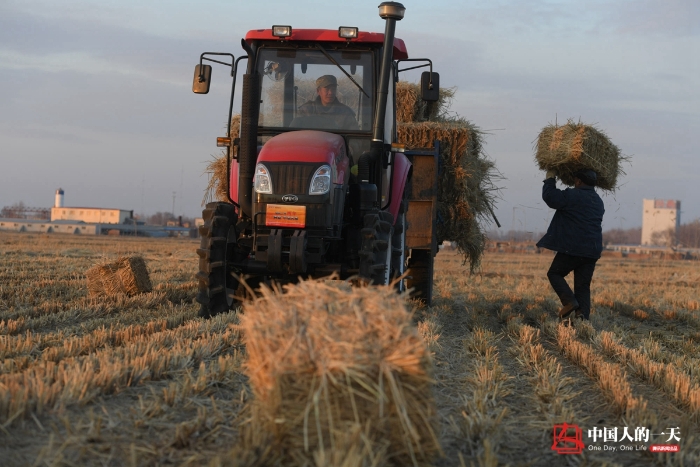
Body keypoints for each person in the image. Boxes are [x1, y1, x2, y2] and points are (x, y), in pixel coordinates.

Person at [536, 169, 604, 321]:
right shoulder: (598, 201)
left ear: (579, 181)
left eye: (575, 180)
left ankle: (569, 302)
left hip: (573, 248)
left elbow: (551, 198)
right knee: (583, 286)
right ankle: (583, 319)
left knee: (554, 273)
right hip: (592, 250)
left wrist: (550, 179)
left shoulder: (573, 195)